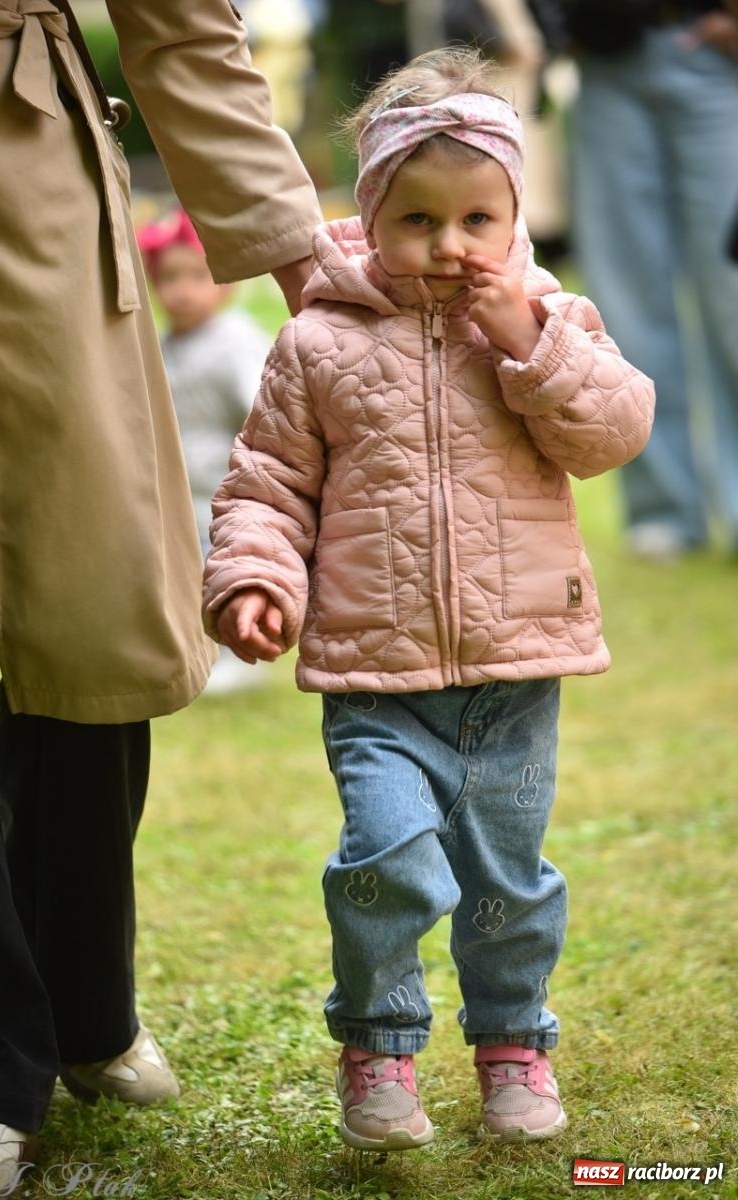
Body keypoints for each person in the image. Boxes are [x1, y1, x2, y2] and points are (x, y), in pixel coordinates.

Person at [202, 46, 654, 1151]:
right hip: (374, 674)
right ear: (370, 216)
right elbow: (265, 483)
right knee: (386, 861)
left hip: (515, 670)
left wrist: (530, 345)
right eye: (417, 220)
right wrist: (256, 577)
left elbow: (613, 433)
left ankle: (512, 1048)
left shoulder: (552, 322)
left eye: (476, 220)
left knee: (508, 881)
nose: (449, 246)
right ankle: (380, 1051)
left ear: (514, 220)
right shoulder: (316, 342)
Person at [0, 0, 321, 1195]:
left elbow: (183, 25)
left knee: (94, 605)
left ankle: (82, 999)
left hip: (27, 161)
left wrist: (304, 263)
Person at [534, 0, 738, 558]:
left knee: (733, 291)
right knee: (624, 297)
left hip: (722, 57)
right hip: (606, 58)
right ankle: (663, 512)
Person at [137, 208, 273, 693]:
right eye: (169, 278)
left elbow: (260, 411)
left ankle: (238, 654)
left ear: (226, 284)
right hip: (180, 488)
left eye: (198, 276)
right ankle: (194, 648)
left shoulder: (234, 341)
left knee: (225, 569)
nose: (182, 290)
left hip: (222, 485)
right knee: (185, 570)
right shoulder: (163, 345)